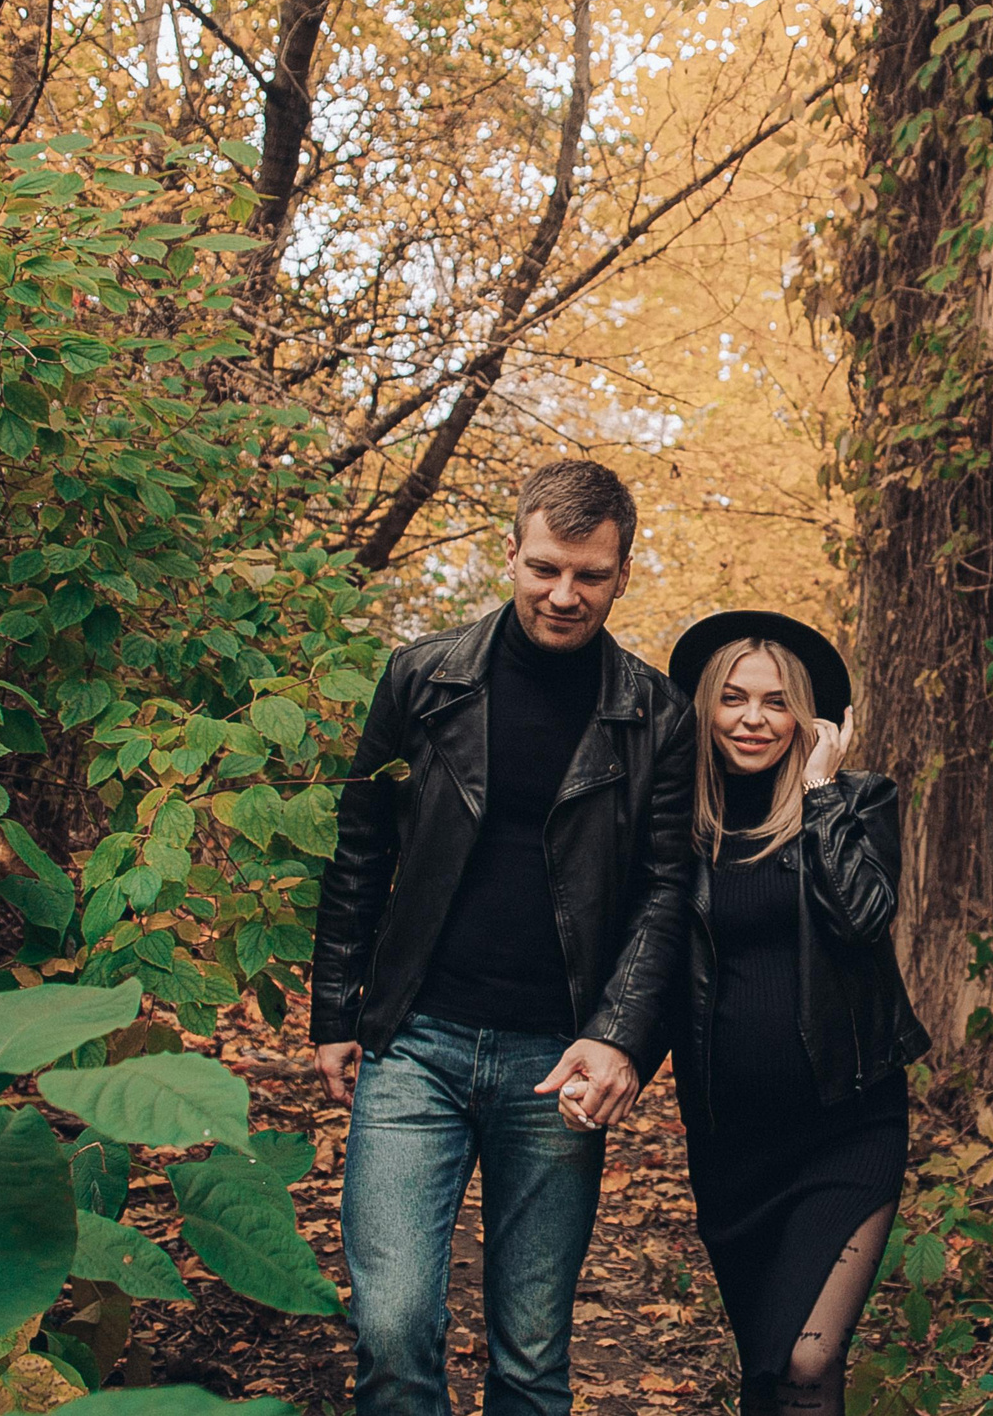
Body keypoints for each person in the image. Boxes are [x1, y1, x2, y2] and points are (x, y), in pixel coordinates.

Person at [311, 459, 695, 1416]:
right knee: (393, 1327)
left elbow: (665, 889)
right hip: (417, 1042)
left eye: (590, 575)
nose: (564, 595)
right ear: (512, 554)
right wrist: (335, 1009)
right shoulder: (422, 676)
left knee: (530, 1357)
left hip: (555, 1060)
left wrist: (618, 1037)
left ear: (622, 572)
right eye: (545, 568)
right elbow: (362, 846)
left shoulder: (657, 715)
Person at [637, 611, 931, 1416]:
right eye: (733, 698)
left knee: (809, 1359)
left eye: (775, 701)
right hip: (732, 1143)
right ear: (705, 707)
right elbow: (655, 966)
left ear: (806, 715)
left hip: (845, 1125)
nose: (753, 718)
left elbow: (866, 917)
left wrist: (821, 794)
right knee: (764, 1369)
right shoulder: (680, 825)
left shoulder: (859, 801)